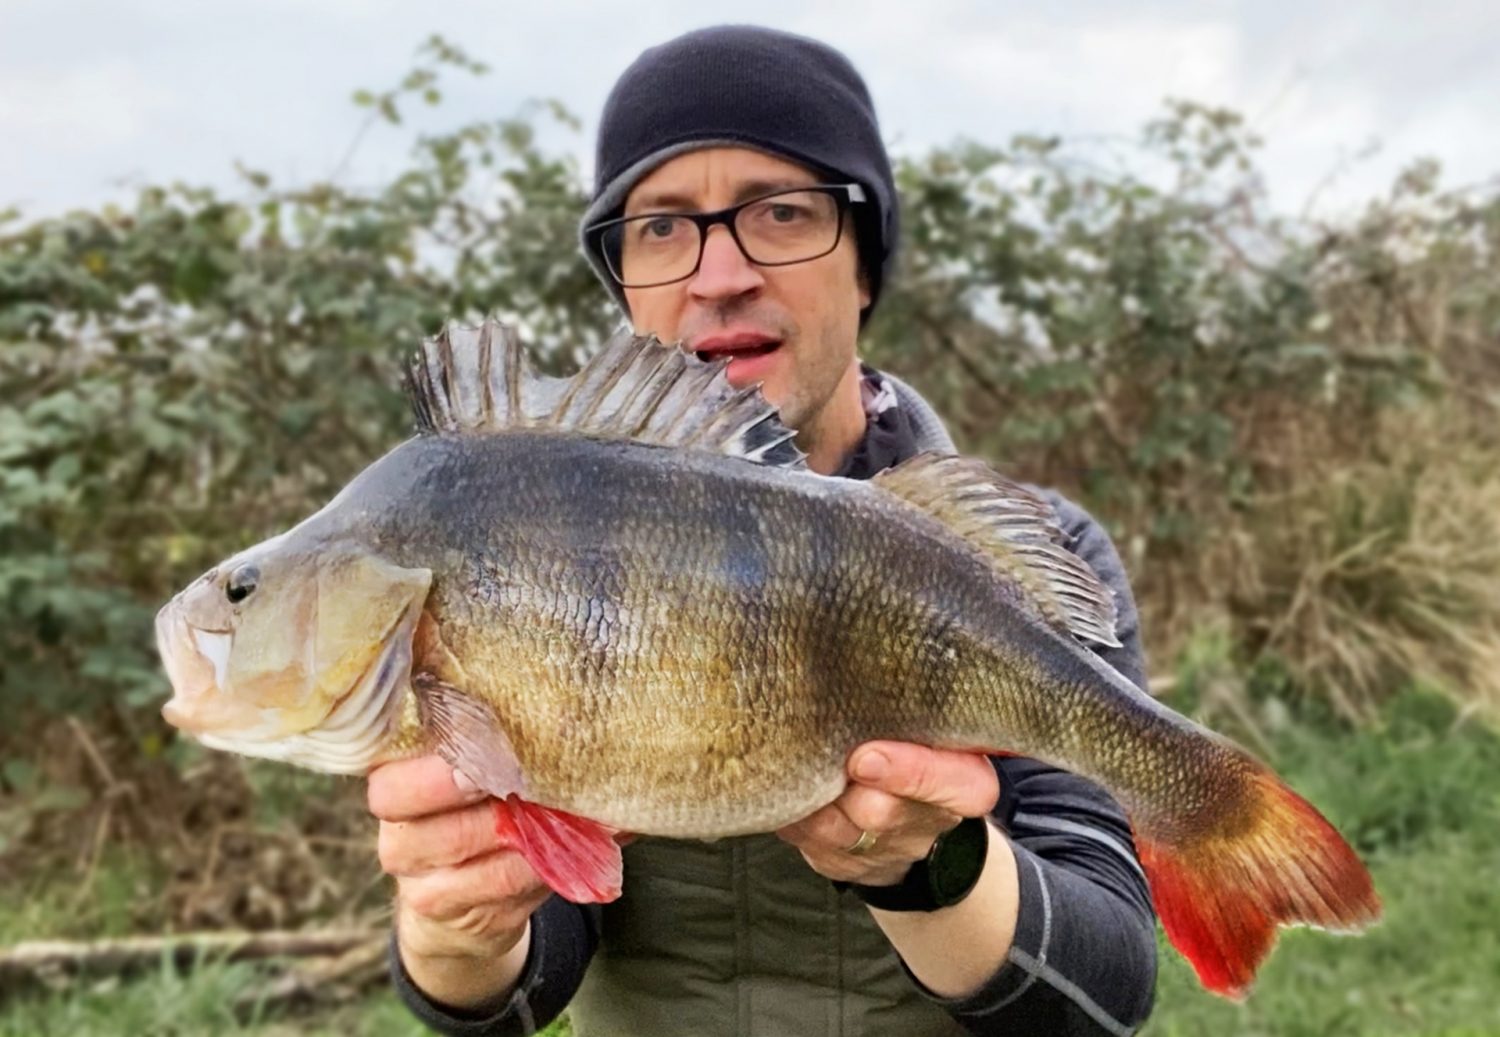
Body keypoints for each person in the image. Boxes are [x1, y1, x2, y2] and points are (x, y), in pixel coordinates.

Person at [371, 25, 1158, 1036]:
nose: (719, 273)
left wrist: (930, 866)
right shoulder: (539, 556)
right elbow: (524, 985)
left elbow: (1106, 996)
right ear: (624, 284)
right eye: (661, 226)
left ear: (865, 266)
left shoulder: (1026, 556)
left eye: (782, 212)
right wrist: (456, 930)